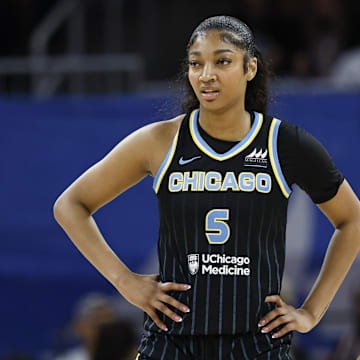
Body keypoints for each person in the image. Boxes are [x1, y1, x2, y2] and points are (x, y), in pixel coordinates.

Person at [53, 15, 360, 359]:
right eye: (196, 64)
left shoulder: (284, 144)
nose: (206, 74)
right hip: (171, 343)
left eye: (222, 61)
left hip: (257, 345)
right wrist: (125, 281)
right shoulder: (160, 141)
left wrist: (311, 312)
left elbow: (352, 220)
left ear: (250, 68)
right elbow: (70, 205)